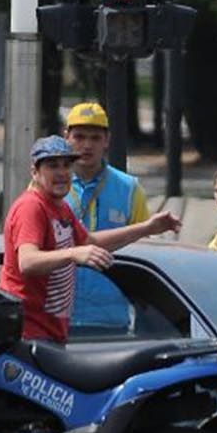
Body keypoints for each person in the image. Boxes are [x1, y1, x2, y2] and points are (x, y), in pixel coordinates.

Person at [0, 135, 181, 433]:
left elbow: (89, 242)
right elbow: (28, 260)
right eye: (52, 166)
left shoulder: (59, 208)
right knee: (58, 423)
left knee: (60, 422)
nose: (62, 173)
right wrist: (73, 256)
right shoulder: (32, 207)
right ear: (35, 171)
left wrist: (147, 228)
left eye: (66, 165)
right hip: (28, 336)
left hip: (52, 334)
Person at [63, 101, 152, 336]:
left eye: (95, 138)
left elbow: (144, 250)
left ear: (107, 140)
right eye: (79, 137)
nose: (87, 145)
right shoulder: (48, 185)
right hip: (56, 315)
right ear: (67, 138)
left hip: (111, 318)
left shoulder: (129, 188)